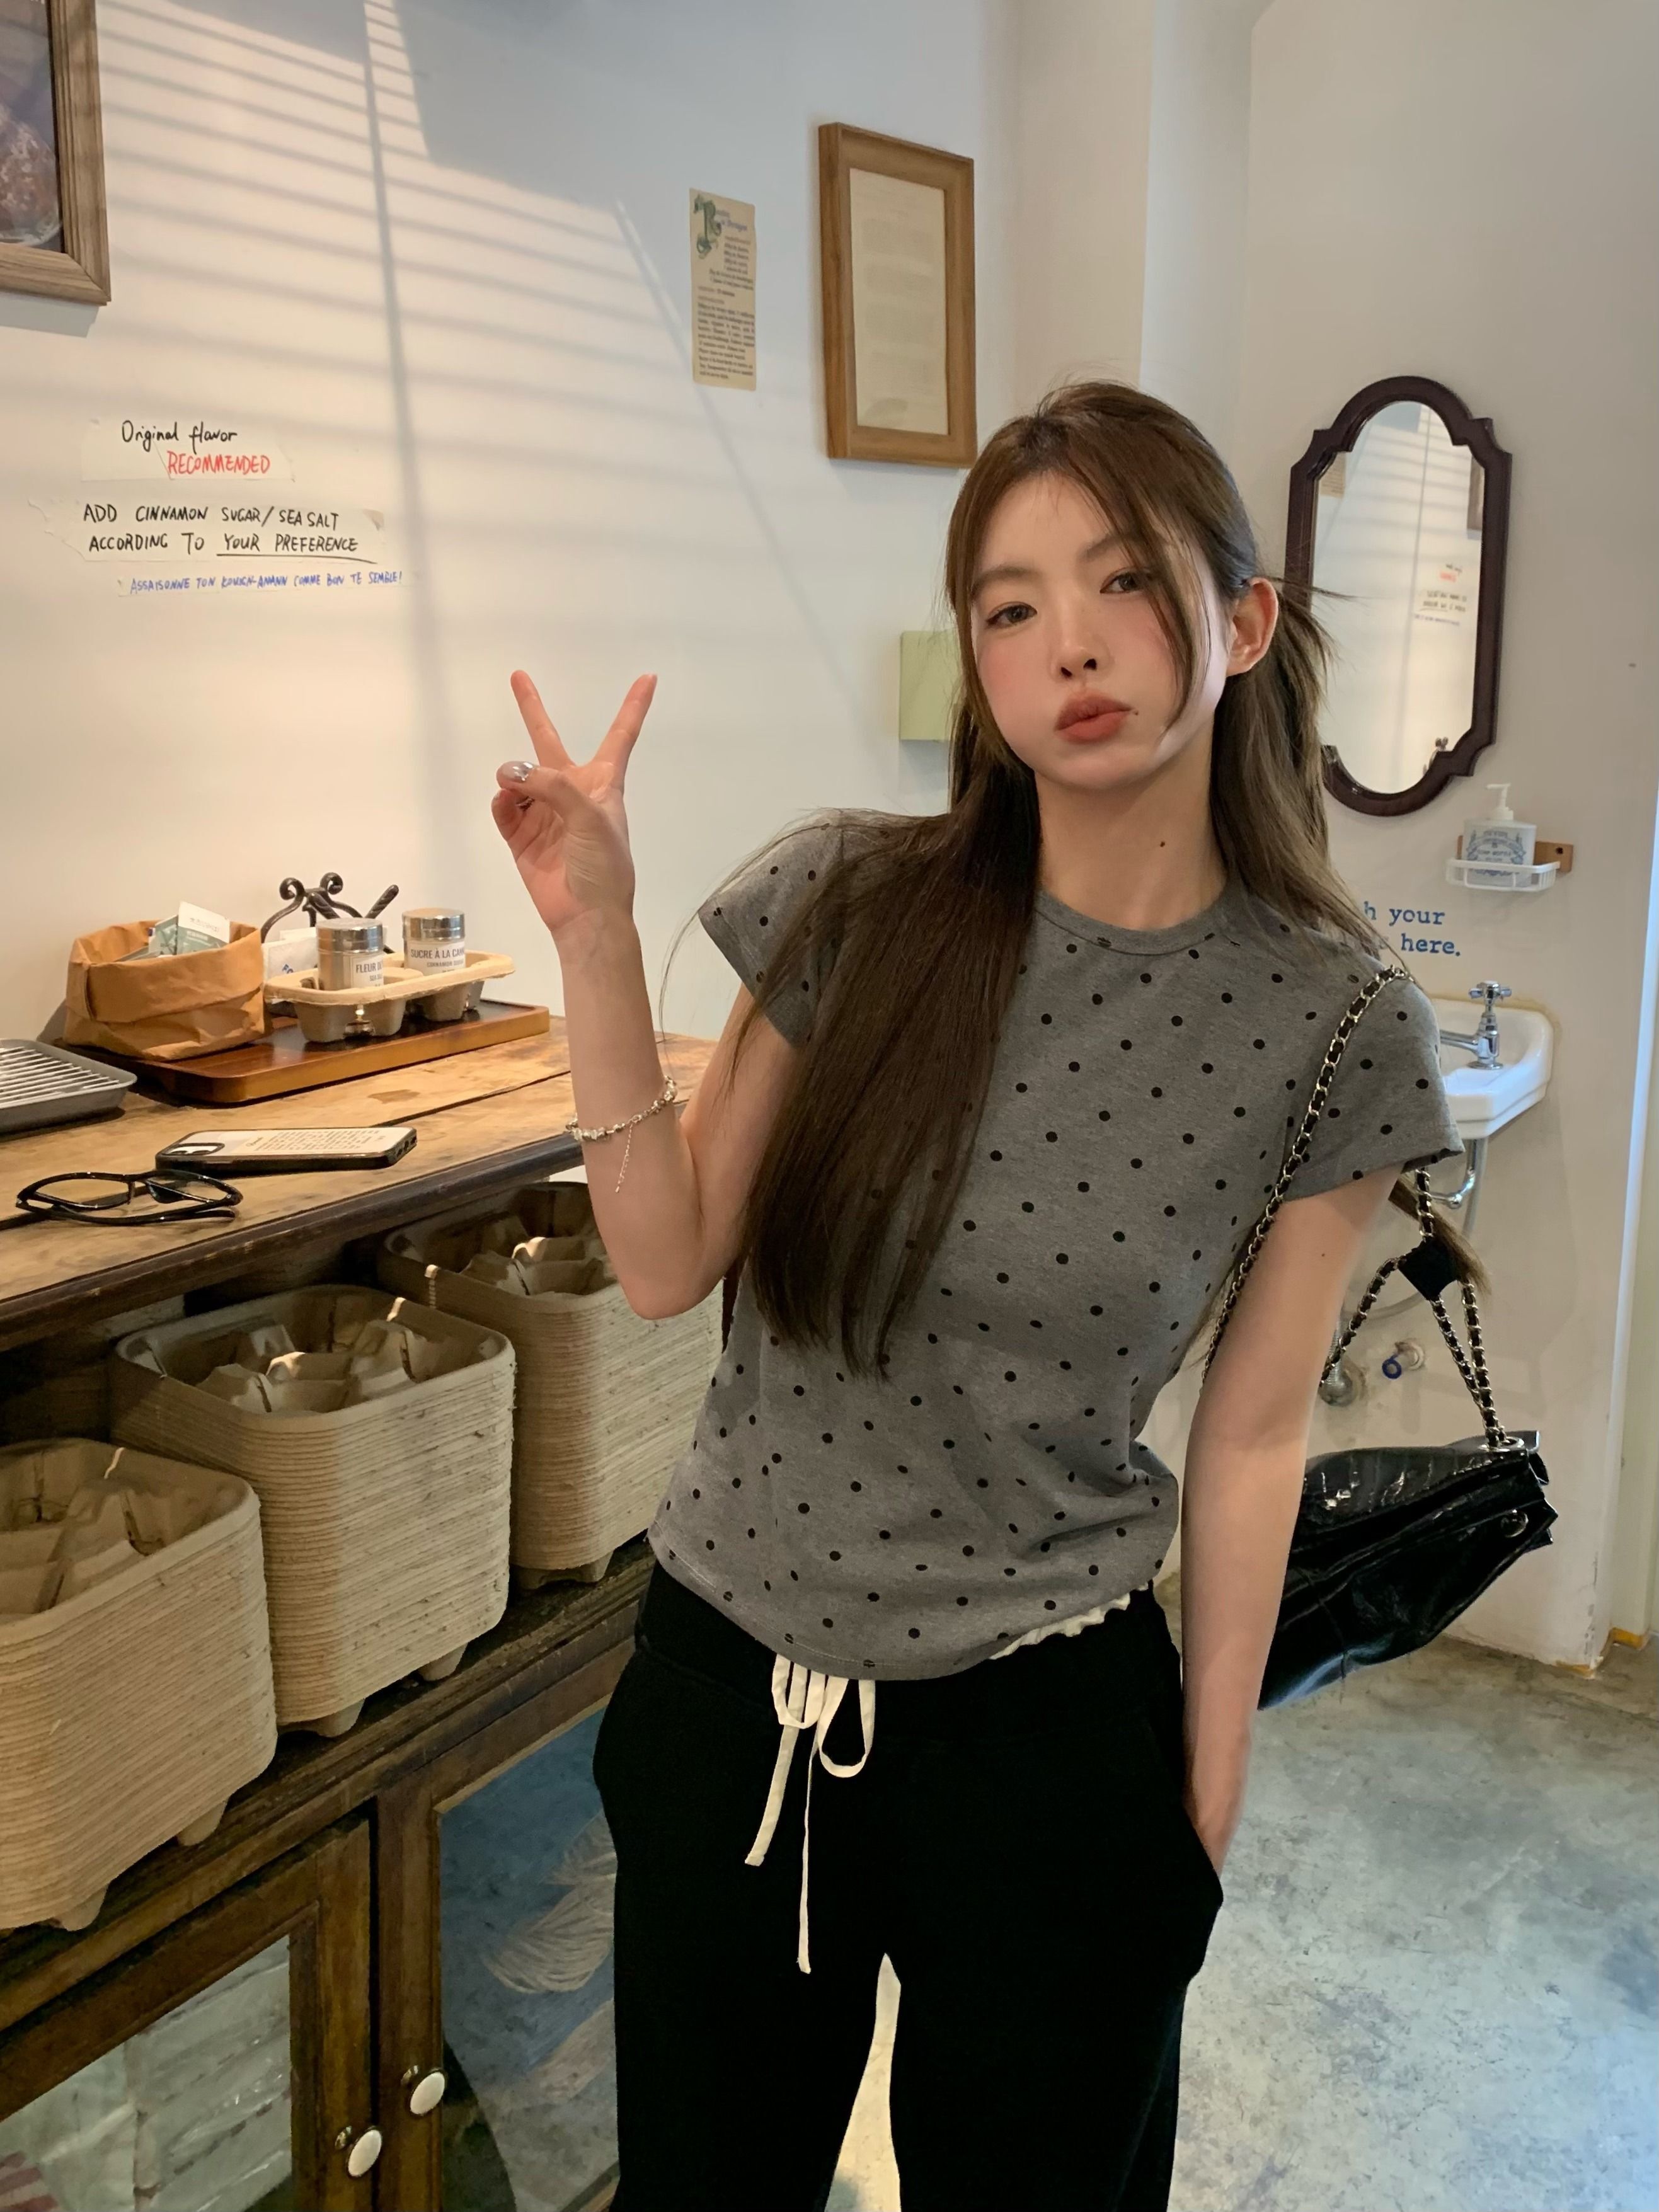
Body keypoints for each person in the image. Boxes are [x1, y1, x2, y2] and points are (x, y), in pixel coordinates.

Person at [490, 381, 1466, 2212]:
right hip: (735, 1709)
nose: (1068, 644)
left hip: (1047, 1735)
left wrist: (1200, 1804)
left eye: (1123, 580)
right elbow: (662, 1260)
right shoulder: (852, 904)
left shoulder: (1333, 1022)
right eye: (1011, 607)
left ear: (1243, 619)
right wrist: (595, 933)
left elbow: (1253, 1435)